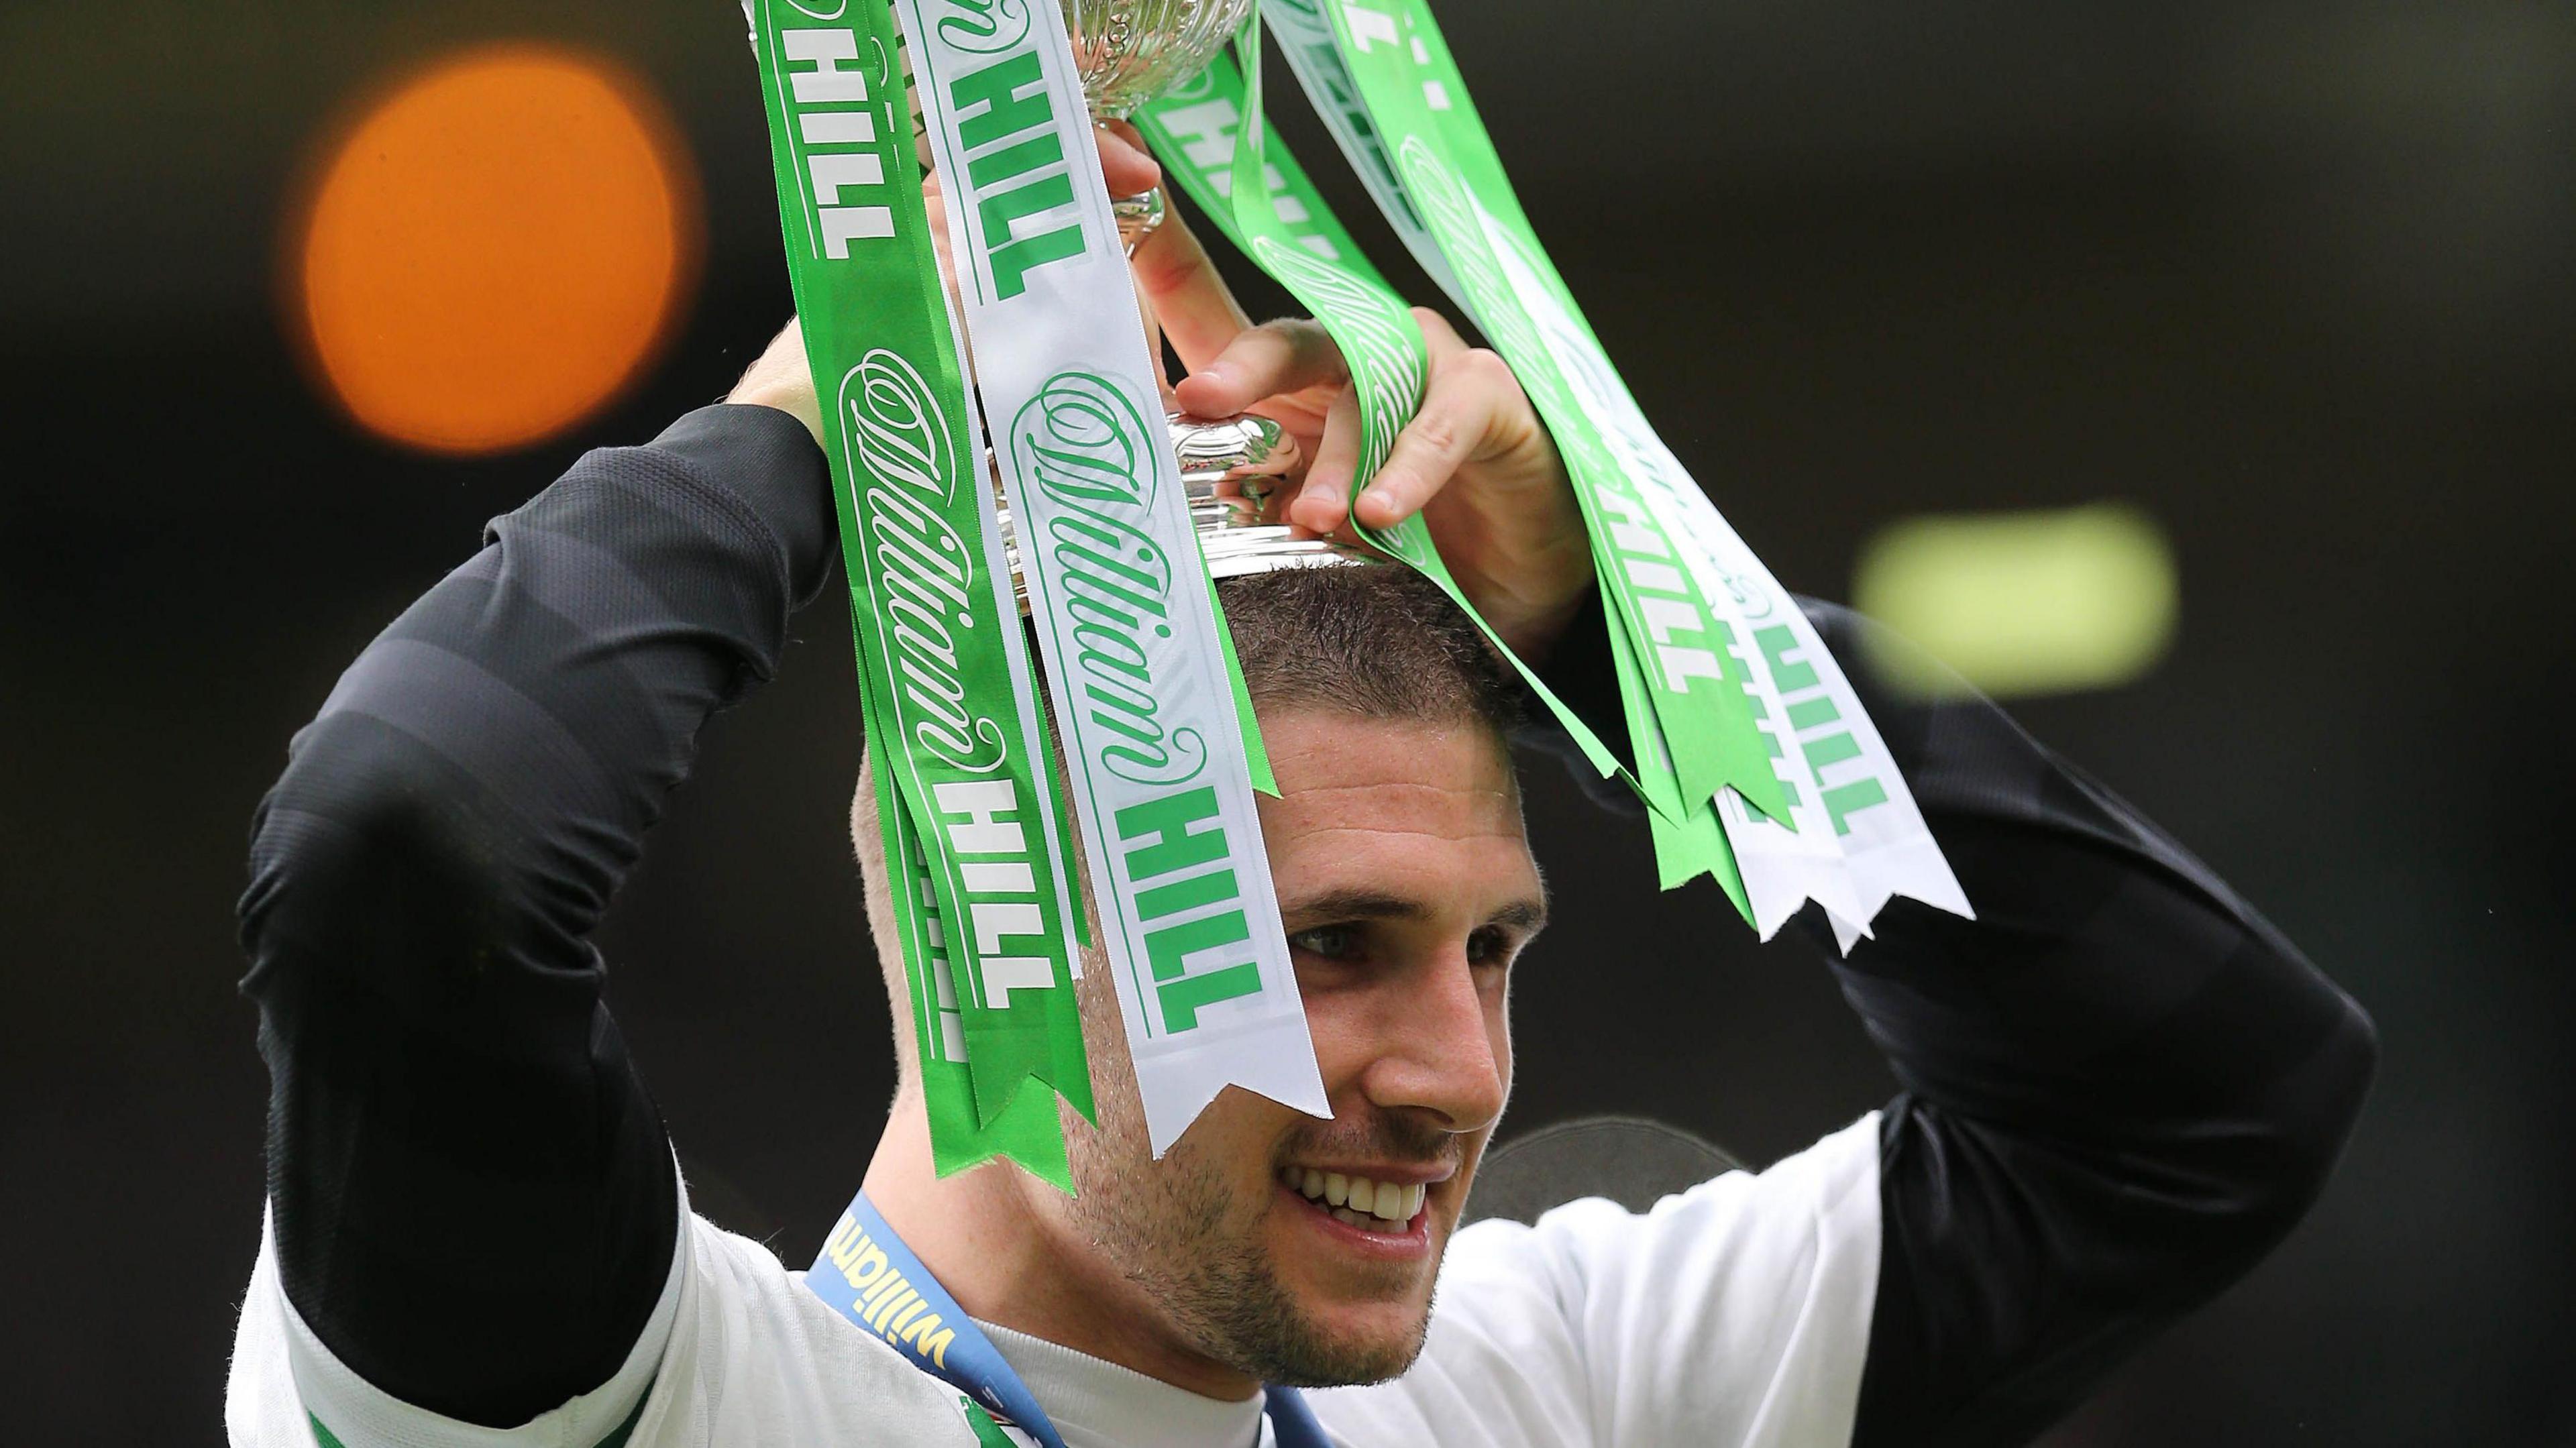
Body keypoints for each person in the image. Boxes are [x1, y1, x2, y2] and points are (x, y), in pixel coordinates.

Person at [223, 130, 2376, 1447]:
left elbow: (2206, 1101)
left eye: (1492, 950)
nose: (1454, 1073)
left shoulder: (1537, 1397)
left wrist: (1614, 630)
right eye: (1327, 948)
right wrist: (833, 420)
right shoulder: (649, 1408)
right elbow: (415, 848)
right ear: (999, 923)